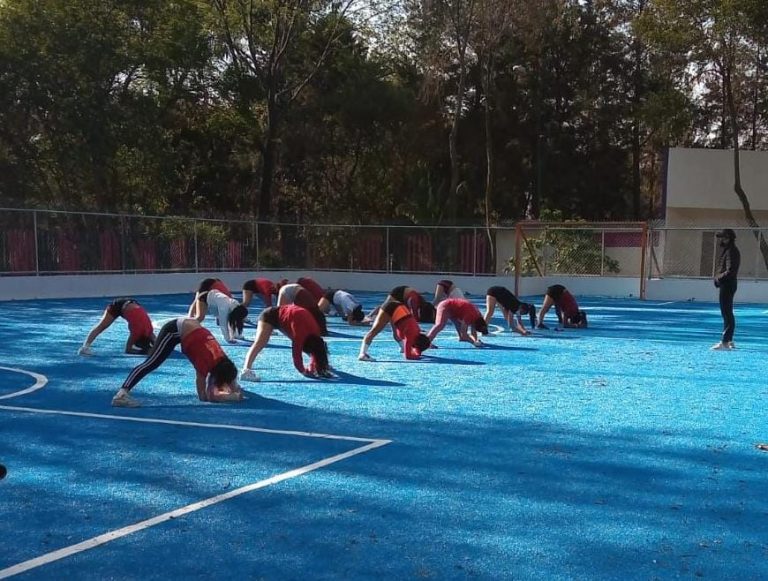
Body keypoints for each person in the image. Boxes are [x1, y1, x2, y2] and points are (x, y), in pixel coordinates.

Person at [112, 318, 243, 407]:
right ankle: (121, 395)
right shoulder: (204, 363)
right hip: (174, 330)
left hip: (192, 329)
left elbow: (231, 380)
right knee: (151, 363)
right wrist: (228, 397)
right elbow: (204, 396)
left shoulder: (223, 360)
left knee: (153, 360)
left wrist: (235, 391)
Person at [240, 305, 332, 380]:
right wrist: (303, 371)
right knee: (260, 342)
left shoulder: (316, 333)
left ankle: (318, 364)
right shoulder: (299, 335)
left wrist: (312, 367)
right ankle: (246, 370)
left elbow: (317, 349)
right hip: (270, 315)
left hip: (289, 317)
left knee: (316, 351)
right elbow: (296, 354)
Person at [358, 299, 431, 361]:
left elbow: (400, 335)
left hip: (398, 308)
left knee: (396, 334)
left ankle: (402, 347)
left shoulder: (416, 331)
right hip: (391, 309)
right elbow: (408, 356)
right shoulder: (411, 336)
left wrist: (415, 351)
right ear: (416, 344)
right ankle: (362, 354)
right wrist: (417, 356)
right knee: (374, 332)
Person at [78, 298, 155, 356]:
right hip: (118, 306)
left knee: (135, 319)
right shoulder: (136, 333)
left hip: (132, 304)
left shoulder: (149, 331)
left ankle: (86, 346)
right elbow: (128, 350)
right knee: (102, 326)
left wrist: (152, 349)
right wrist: (144, 352)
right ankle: (84, 348)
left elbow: (157, 341)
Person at [712, 228, 740, 350]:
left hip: (727, 285)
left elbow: (730, 271)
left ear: (728, 238)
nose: (721, 240)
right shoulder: (729, 250)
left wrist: (718, 279)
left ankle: (725, 341)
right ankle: (729, 340)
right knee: (727, 313)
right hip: (728, 284)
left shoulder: (731, 251)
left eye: (723, 237)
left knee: (726, 313)